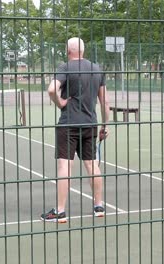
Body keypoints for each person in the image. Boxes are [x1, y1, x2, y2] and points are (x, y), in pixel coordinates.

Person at [41, 37, 110, 223]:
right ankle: (99, 206)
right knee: (92, 164)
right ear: (83, 50)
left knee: (65, 166)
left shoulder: (65, 67)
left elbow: (51, 90)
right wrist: (105, 125)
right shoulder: (96, 69)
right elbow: (105, 102)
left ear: (68, 50)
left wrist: (61, 102)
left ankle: (60, 211)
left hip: (68, 124)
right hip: (90, 124)